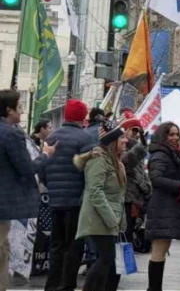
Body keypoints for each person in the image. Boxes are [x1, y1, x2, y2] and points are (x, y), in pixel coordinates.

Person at [1, 90, 54, 291]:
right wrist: (46, 155)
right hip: (4, 205)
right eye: (20, 106)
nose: (22, 112)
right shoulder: (12, 134)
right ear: (9, 109)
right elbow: (27, 169)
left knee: (3, 250)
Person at [42, 99, 97, 291]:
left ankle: (52, 285)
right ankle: (66, 285)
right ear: (82, 117)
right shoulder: (85, 139)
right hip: (76, 201)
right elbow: (90, 170)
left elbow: (43, 167)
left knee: (56, 245)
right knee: (74, 245)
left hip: (55, 199)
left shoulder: (51, 137)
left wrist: (52, 186)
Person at [74, 122, 128, 291]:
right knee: (106, 258)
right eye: (122, 138)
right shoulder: (99, 160)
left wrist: (120, 220)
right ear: (112, 141)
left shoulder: (116, 162)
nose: (126, 141)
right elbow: (95, 192)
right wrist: (111, 218)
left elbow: (118, 196)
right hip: (98, 219)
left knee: (107, 260)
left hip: (109, 218)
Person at [146, 122, 180, 291]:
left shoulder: (171, 153)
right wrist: (179, 185)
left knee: (162, 251)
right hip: (162, 207)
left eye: (177, 134)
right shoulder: (161, 155)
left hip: (168, 207)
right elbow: (155, 178)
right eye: (171, 134)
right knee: (159, 251)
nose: (175, 138)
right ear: (163, 136)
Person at [120, 122, 150, 251]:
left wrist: (147, 185)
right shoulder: (121, 148)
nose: (135, 134)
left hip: (136, 198)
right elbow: (127, 160)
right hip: (126, 198)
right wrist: (142, 145)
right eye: (133, 130)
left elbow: (141, 172)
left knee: (131, 230)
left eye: (137, 132)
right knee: (125, 233)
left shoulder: (133, 145)